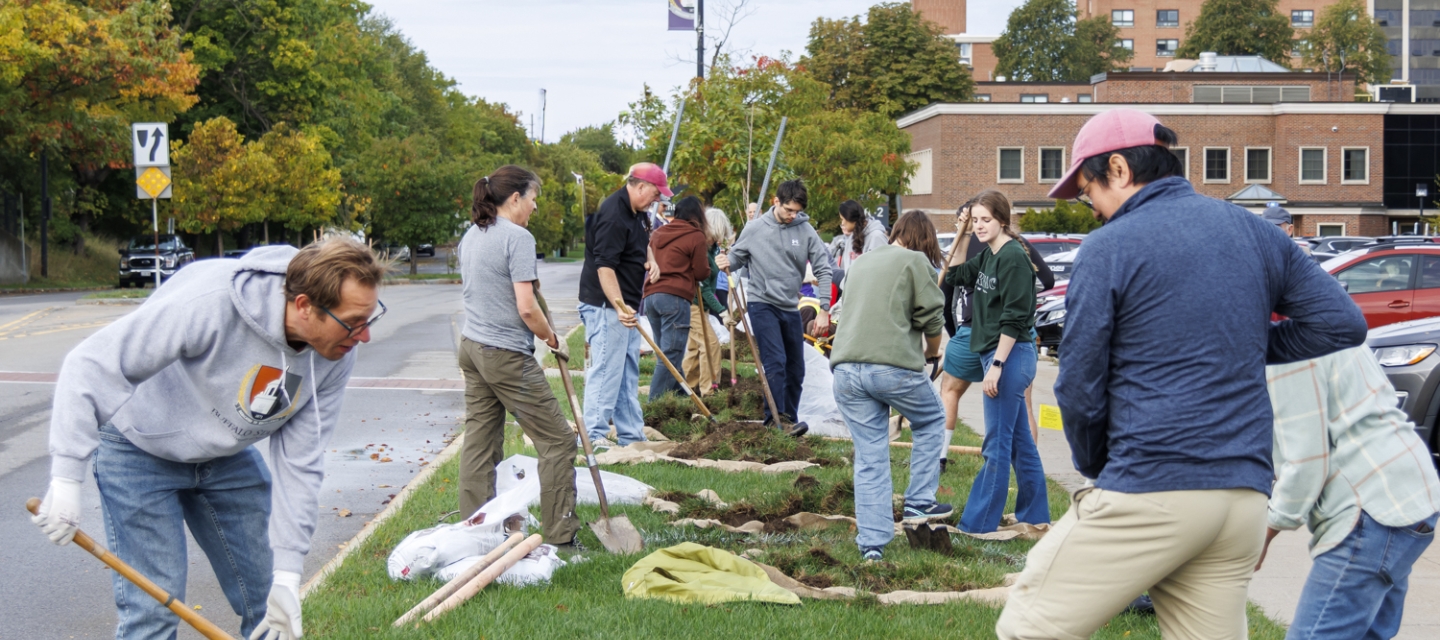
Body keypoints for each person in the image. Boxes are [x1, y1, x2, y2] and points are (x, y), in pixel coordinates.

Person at [996, 109, 1368, 639]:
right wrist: (1237, 346)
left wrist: (1097, 464)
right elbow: (1341, 323)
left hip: (1153, 488)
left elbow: (1078, 387)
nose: (1093, 210)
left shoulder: (1109, 247)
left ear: (1119, 169)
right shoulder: (1256, 233)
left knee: (1027, 628)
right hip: (1241, 501)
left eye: (1088, 192)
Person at [31, 238, 385, 639]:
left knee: (269, 604)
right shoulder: (210, 300)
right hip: (139, 447)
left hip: (226, 455)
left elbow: (300, 463)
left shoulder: (335, 349)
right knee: (152, 613)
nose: (364, 336)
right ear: (304, 305)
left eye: (369, 320)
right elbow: (92, 365)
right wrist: (66, 477)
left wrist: (287, 575)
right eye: (354, 321)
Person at [1258, 346, 1440, 639]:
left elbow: (1306, 464)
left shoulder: (1288, 352)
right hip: (1409, 491)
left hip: (1372, 506)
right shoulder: (1330, 323)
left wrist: (1266, 532)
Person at [455, 165, 580, 547]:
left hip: (472, 348)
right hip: (504, 354)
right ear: (515, 199)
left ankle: (476, 533)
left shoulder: (472, 234)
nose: (535, 207)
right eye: (533, 198)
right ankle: (561, 536)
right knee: (558, 441)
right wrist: (552, 339)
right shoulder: (517, 238)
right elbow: (526, 308)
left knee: (480, 441)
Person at [830, 211, 948, 562]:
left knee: (870, 456)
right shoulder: (916, 262)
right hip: (892, 369)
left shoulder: (861, 263)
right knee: (930, 421)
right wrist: (932, 354)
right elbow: (931, 319)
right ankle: (919, 503)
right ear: (925, 240)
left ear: (896, 232)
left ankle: (873, 546)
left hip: (846, 371)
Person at [943, 190, 1049, 535]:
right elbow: (955, 277)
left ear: (1002, 219)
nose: (979, 226)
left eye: (985, 219)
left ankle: (979, 524)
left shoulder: (1013, 257)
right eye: (975, 220)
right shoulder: (988, 254)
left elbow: (1016, 317)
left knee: (997, 445)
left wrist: (997, 366)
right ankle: (1035, 517)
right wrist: (961, 235)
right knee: (1020, 444)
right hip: (997, 354)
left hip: (1011, 355)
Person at [717, 180, 833, 436]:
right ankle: (774, 420)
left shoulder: (805, 230)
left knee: (796, 368)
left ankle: (790, 419)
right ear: (776, 202)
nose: (793, 216)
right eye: (789, 210)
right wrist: (727, 260)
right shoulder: (755, 228)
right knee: (776, 362)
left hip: (790, 306)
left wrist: (825, 308)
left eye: (797, 212)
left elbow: (824, 269)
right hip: (762, 304)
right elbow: (738, 257)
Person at [578, 163, 671, 449]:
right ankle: (592, 436)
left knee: (627, 371)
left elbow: (645, 242)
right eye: (655, 193)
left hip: (626, 307)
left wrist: (651, 260)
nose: (657, 200)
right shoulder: (614, 214)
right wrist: (618, 307)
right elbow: (604, 268)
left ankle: (631, 434)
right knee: (606, 370)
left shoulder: (639, 213)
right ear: (640, 186)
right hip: (606, 307)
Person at [644, 195, 711, 399]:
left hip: (651, 297)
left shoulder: (657, 233)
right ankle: (652, 407)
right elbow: (701, 272)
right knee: (670, 357)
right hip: (674, 298)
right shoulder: (695, 235)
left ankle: (684, 400)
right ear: (698, 215)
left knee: (666, 355)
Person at [682, 208, 735, 395]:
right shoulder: (701, 250)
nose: (717, 239)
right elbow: (703, 289)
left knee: (695, 347)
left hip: (700, 305)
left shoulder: (712, 249)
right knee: (710, 344)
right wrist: (722, 311)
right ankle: (709, 391)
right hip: (692, 303)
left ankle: (686, 387)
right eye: (715, 235)